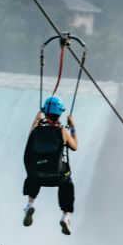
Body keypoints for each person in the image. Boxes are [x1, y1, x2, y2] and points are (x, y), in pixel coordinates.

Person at [23, 96, 78, 235]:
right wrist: (72, 127)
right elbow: (75, 147)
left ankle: (30, 204)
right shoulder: (63, 132)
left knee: (35, 171)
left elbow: (32, 131)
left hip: (37, 177)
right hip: (57, 177)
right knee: (67, 183)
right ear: (59, 114)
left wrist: (37, 119)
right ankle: (66, 216)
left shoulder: (35, 132)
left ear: (45, 113)